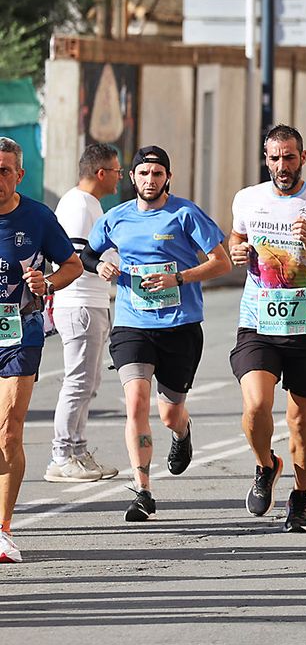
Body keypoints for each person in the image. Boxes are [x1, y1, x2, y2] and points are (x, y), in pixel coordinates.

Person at [89, 145, 230, 523]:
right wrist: (101, 263)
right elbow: (85, 252)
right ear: (131, 178)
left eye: (157, 174)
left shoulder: (184, 213)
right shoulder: (116, 217)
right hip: (133, 324)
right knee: (135, 403)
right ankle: (143, 490)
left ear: (167, 177)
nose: (150, 180)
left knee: (169, 414)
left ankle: (182, 433)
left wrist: (179, 277)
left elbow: (222, 262)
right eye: (143, 173)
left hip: (180, 327)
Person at [227, 126, 306, 531]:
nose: (282, 166)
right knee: (256, 406)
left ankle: (300, 497)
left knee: (300, 419)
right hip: (258, 320)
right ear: (265, 158)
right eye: (275, 158)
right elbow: (237, 238)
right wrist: (236, 249)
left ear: (303, 156)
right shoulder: (248, 198)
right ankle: (266, 465)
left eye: (290, 157)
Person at [0, 137, 84, 562]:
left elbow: (73, 265)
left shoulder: (36, 217)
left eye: (3, 170)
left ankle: (3, 530)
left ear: (19, 174)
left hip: (20, 334)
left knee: (9, 429)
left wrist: (47, 283)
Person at [44, 143, 122, 483]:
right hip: (80, 303)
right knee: (77, 382)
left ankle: (77, 449)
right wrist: (109, 264)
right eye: (117, 171)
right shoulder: (79, 205)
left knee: (88, 382)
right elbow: (76, 258)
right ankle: (62, 455)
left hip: (91, 303)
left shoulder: (88, 204)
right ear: (101, 173)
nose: (121, 177)